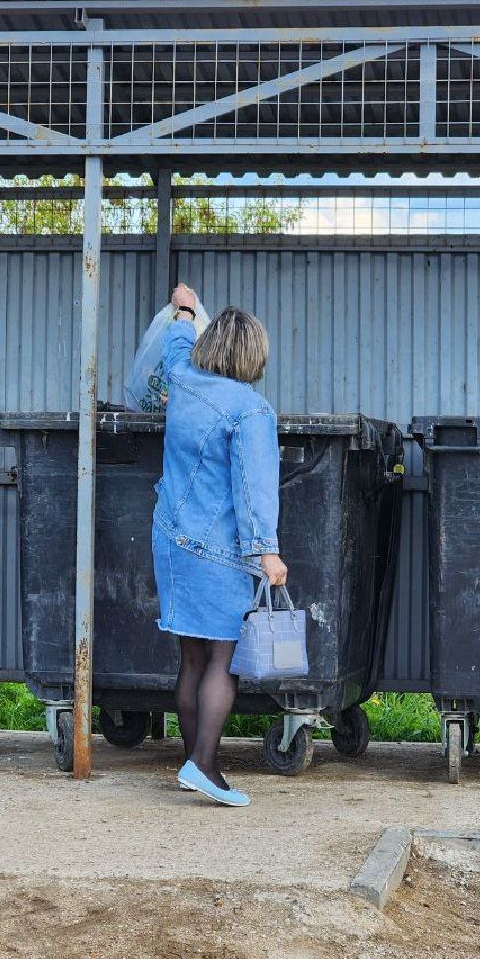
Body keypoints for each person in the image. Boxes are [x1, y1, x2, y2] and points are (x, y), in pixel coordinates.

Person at [152, 283, 287, 808]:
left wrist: (185, 311)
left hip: (171, 540)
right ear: (253, 355)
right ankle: (204, 765)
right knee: (222, 662)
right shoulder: (251, 410)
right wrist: (267, 551)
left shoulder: (183, 382)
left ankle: (195, 762)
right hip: (219, 552)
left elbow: (175, 349)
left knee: (191, 659)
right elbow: (254, 488)